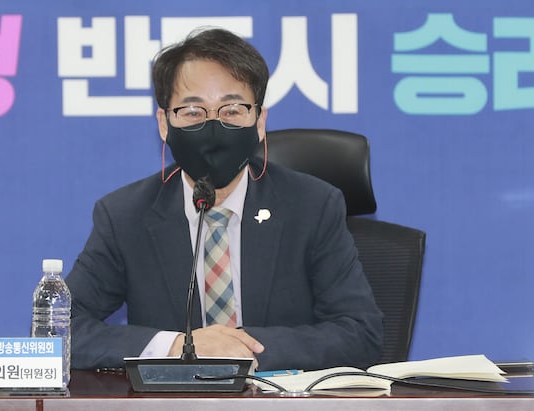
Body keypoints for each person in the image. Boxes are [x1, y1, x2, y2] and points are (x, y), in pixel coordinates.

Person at [65, 27, 383, 372]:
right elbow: (61, 328)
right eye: (193, 112)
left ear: (259, 121)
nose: (213, 127)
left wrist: (241, 349)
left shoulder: (313, 206)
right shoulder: (125, 215)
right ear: (164, 124)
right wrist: (177, 346)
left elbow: (360, 332)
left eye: (232, 110)